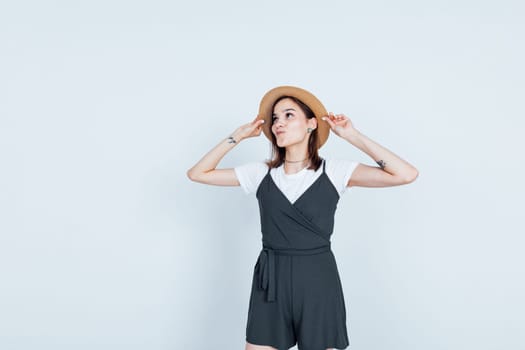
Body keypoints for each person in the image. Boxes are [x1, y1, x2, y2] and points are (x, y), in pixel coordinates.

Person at [187, 86, 419, 350]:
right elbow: (198, 173)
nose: (278, 124)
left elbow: (405, 174)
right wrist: (237, 136)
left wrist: (352, 135)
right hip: (270, 282)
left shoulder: (335, 172)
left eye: (288, 115)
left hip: (317, 281)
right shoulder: (261, 173)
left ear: (311, 124)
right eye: (275, 118)